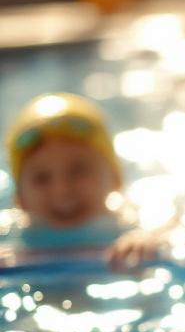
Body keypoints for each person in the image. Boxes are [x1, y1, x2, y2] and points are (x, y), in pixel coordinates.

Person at [5, 93, 166, 268]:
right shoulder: (10, 228)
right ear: (19, 197)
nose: (62, 190)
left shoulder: (127, 219)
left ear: (114, 177)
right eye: (41, 178)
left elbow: (168, 226)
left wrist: (145, 237)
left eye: (78, 171)